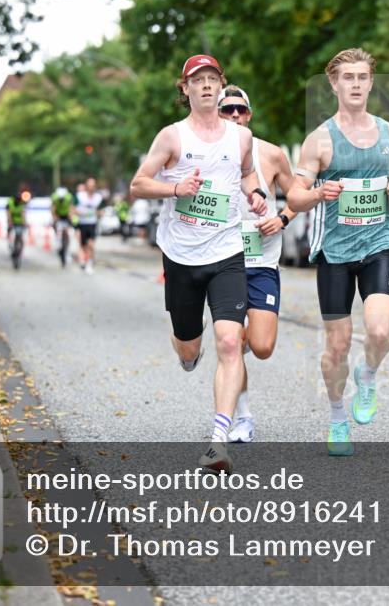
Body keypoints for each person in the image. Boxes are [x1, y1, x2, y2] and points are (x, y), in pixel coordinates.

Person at [129, 54, 266, 472]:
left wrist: (255, 191)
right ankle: (188, 350)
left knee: (230, 342)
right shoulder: (172, 137)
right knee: (190, 345)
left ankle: (218, 440)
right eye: (197, 80)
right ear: (185, 89)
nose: (205, 86)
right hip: (182, 256)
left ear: (221, 85)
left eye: (212, 79)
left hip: (227, 251)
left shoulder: (240, 139)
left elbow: (245, 173)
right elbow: (138, 184)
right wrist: (175, 190)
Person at [287, 48, 389, 456]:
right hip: (335, 251)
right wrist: (320, 192)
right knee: (337, 346)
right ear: (334, 84)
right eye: (347, 78)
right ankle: (338, 416)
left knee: (378, 331)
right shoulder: (319, 140)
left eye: (362, 77)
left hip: (379, 244)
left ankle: (368, 375)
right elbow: (294, 195)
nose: (356, 84)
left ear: (372, 82)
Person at [217, 85, 298, 443]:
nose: (234, 115)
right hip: (223, 262)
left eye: (240, 110)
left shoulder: (272, 154)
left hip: (263, 263)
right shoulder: (205, 155)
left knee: (262, 347)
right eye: (227, 110)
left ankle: (233, 346)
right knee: (232, 343)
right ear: (217, 114)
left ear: (249, 115)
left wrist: (281, 219)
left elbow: (300, 197)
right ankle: (243, 418)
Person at [75, 178, 104, 274]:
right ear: (86, 187)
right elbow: (72, 208)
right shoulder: (80, 196)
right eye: (89, 185)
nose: (91, 188)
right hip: (82, 223)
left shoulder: (98, 197)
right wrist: (77, 212)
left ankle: (89, 263)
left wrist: (98, 213)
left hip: (92, 223)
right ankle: (84, 260)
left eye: (93, 186)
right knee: (83, 245)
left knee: (91, 244)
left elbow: (101, 211)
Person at [50, 186, 76, 267]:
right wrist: (55, 219)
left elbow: (71, 208)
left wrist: (71, 218)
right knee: (57, 230)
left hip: (66, 216)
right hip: (58, 216)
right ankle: (58, 244)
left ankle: (67, 251)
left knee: (68, 233)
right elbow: (53, 210)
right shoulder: (55, 198)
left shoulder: (68, 198)